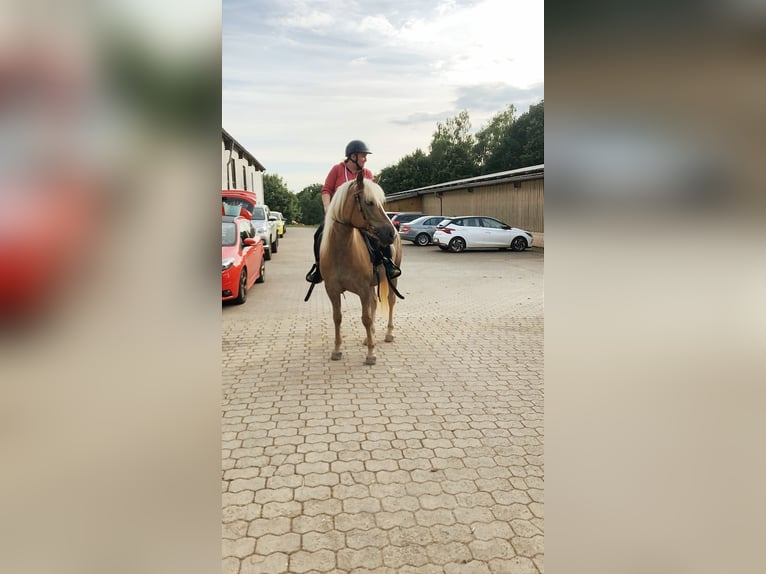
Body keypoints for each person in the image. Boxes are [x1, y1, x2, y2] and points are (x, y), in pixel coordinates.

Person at [305, 140, 401, 284]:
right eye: (363, 156)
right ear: (353, 156)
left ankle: (386, 263)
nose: (365, 159)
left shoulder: (367, 173)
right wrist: (327, 207)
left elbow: (371, 199)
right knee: (318, 235)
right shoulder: (337, 170)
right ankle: (319, 268)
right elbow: (326, 190)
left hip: (360, 217)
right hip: (339, 217)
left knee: (377, 237)